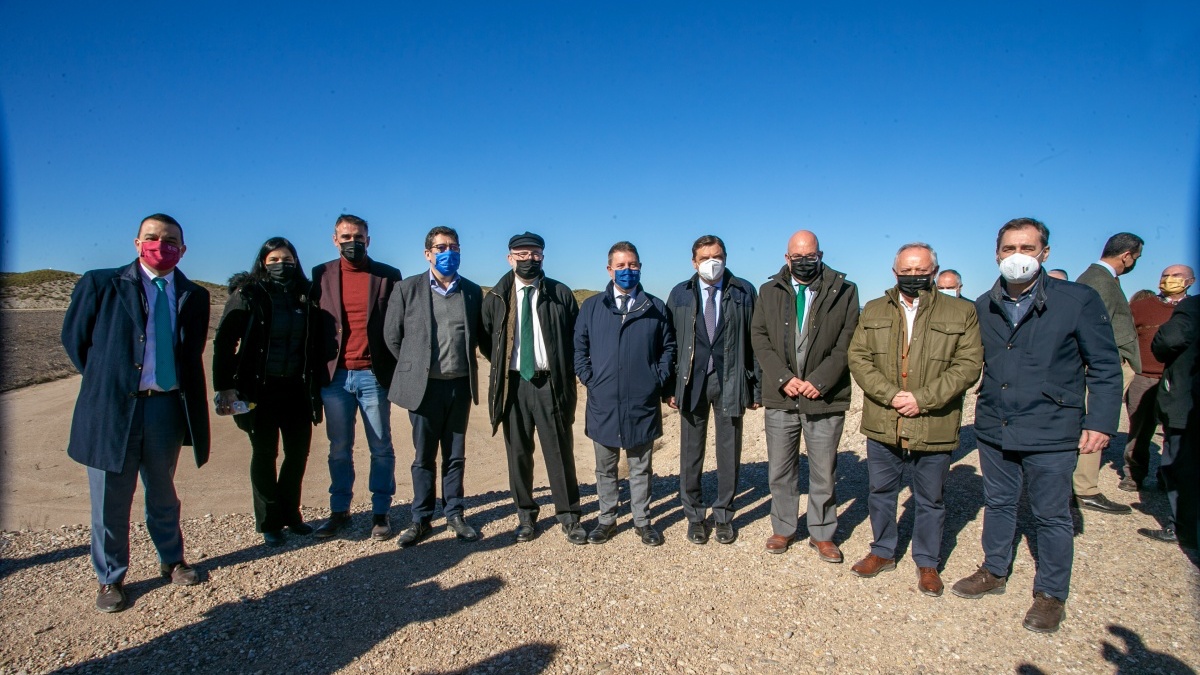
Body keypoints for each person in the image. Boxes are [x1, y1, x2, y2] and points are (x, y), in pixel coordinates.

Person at [951, 217, 1121, 634]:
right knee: (1000, 502)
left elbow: (1104, 364)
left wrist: (1100, 421)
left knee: (1051, 514)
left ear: (1045, 253)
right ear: (996, 254)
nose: (1017, 257)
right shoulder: (982, 304)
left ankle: (1050, 594)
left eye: (1027, 248)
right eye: (1009, 249)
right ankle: (994, 570)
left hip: (1052, 427)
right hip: (995, 425)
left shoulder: (1076, 299)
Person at [61, 213, 210, 613]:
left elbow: (189, 352)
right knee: (110, 499)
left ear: (183, 248)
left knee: (163, 492)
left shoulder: (192, 294)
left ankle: (172, 559)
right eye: (152, 238)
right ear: (136, 242)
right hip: (114, 410)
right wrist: (110, 381)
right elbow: (76, 343)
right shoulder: (101, 283)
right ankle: (111, 578)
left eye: (170, 240)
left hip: (165, 409)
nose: (161, 246)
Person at [847, 243, 982, 596]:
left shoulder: (960, 313)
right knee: (881, 491)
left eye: (920, 270)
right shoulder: (875, 309)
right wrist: (891, 395)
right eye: (906, 271)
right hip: (884, 418)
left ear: (934, 272)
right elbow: (859, 358)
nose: (913, 276)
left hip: (934, 421)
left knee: (930, 497)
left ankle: (927, 561)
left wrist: (922, 399)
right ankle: (882, 551)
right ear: (895, 273)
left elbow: (967, 365)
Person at [750, 230, 859, 561]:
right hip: (782, 395)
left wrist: (820, 380)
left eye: (810, 256)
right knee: (781, 469)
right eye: (797, 257)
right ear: (787, 258)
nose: (804, 262)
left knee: (823, 469)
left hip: (824, 397)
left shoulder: (844, 291)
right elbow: (759, 337)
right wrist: (784, 378)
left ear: (820, 255)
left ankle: (822, 533)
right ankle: (783, 528)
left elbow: (848, 339)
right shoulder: (768, 291)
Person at [213, 237, 321, 547]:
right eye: (273, 260)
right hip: (259, 389)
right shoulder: (248, 294)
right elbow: (224, 342)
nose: (281, 265)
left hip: (297, 389)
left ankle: (292, 515)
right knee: (264, 454)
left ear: (295, 261)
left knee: (297, 454)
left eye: (286, 259)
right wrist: (225, 388)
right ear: (263, 262)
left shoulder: (306, 294)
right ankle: (269, 521)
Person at [480, 232, 585, 544]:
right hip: (513, 385)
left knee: (559, 452)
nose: (528, 259)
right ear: (509, 257)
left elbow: (574, 339)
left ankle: (569, 516)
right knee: (518, 454)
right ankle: (526, 515)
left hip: (549, 384)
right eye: (521, 254)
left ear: (543, 256)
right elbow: (488, 341)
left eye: (535, 253)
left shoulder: (560, 294)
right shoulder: (496, 297)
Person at [385, 226, 485, 547]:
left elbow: (479, 336)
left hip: (459, 387)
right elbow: (392, 336)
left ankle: (455, 513)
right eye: (441, 247)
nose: (448, 252)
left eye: (454, 247)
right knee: (423, 456)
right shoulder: (407, 289)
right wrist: (416, 368)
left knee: (455, 456)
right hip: (424, 389)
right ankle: (421, 518)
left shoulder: (470, 291)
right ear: (428, 253)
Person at [574, 241, 676, 546]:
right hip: (603, 402)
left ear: (640, 267)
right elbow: (580, 348)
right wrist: (590, 379)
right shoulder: (592, 307)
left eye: (632, 265)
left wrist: (655, 379)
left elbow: (668, 348)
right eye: (620, 265)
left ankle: (642, 520)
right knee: (605, 468)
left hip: (641, 402)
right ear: (609, 269)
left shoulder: (656, 308)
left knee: (640, 467)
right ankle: (606, 519)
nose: (627, 270)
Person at [310, 215, 403, 541]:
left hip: (372, 375)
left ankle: (381, 512)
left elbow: (399, 326)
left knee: (380, 445)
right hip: (335, 377)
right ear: (335, 239)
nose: (353, 242)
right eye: (346, 237)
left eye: (359, 236)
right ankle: (340, 511)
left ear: (368, 239)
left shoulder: (387, 276)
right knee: (339, 448)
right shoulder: (320, 275)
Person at [666, 235, 761, 545]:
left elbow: (755, 341)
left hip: (730, 380)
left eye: (717, 255)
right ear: (694, 262)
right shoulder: (680, 294)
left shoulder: (745, 291)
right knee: (691, 454)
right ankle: (694, 516)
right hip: (691, 382)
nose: (712, 262)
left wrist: (756, 387)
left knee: (728, 452)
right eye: (705, 257)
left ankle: (723, 515)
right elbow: (669, 344)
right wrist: (670, 387)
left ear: (726, 257)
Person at [1073, 232, 1143, 515]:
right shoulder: (1098, 282)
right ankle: (1084, 488)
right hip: (1102, 365)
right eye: (1135, 257)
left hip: (1105, 363)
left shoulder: (1101, 279)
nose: (1133, 262)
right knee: (1094, 423)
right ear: (1126, 255)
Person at [1120, 265, 1194, 492]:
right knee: (1139, 429)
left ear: (1190, 281)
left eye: (1177, 276)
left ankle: (1168, 478)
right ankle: (1134, 474)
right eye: (1165, 275)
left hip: (1180, 381)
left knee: (1175, 431)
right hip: (1144, 377)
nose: (1170, 279)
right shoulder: (1141, 307)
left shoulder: (1193, 309)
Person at [1143, 293, 1200, 547]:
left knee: (1182, 466)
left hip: (1188, 401)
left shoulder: (1193, 306)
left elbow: (1170, 339)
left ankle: (1184, 529)